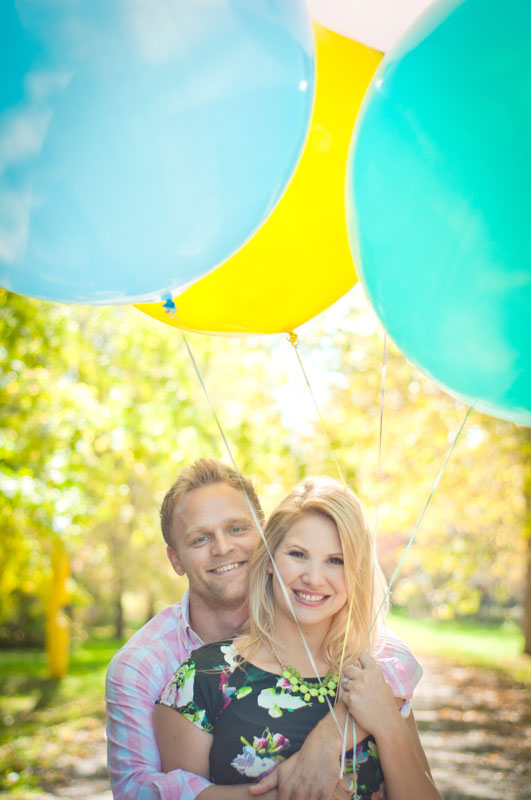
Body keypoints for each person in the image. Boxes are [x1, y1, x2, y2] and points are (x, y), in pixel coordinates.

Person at [106, 460, 423, 799]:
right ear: (175, 559)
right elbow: (139, 791)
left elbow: (396, 659)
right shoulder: (154, 667)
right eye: (200, 538)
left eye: (237, 529)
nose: (223, 548)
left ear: (263, 536)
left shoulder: (364, 666)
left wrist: (332, 737)